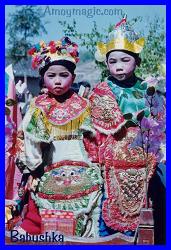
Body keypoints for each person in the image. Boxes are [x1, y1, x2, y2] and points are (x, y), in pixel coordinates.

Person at [13, 36, 103, 238]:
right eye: (51, 75)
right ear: (43, 77)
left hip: (82, 163)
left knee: (89, 200)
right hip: (49, 164)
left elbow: (92, 138)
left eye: (64, 75)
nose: (58, 80)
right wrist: (34, 170)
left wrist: (96, 163)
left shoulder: (84, 104)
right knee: (43, 200)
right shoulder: (38, 106)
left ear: (73, 76)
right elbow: (29, 140)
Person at [89, 17, 161, 241]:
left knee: (145, 207)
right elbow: (93, 133)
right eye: (113, 61)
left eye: (125, 60)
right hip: (112, 162)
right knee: (109, 205)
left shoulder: (146, 90)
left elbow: (158, 124)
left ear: (137, 61)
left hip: (142, 161)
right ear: (106, 63)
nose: (118, 66)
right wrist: (96, 159)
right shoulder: (101, 91)